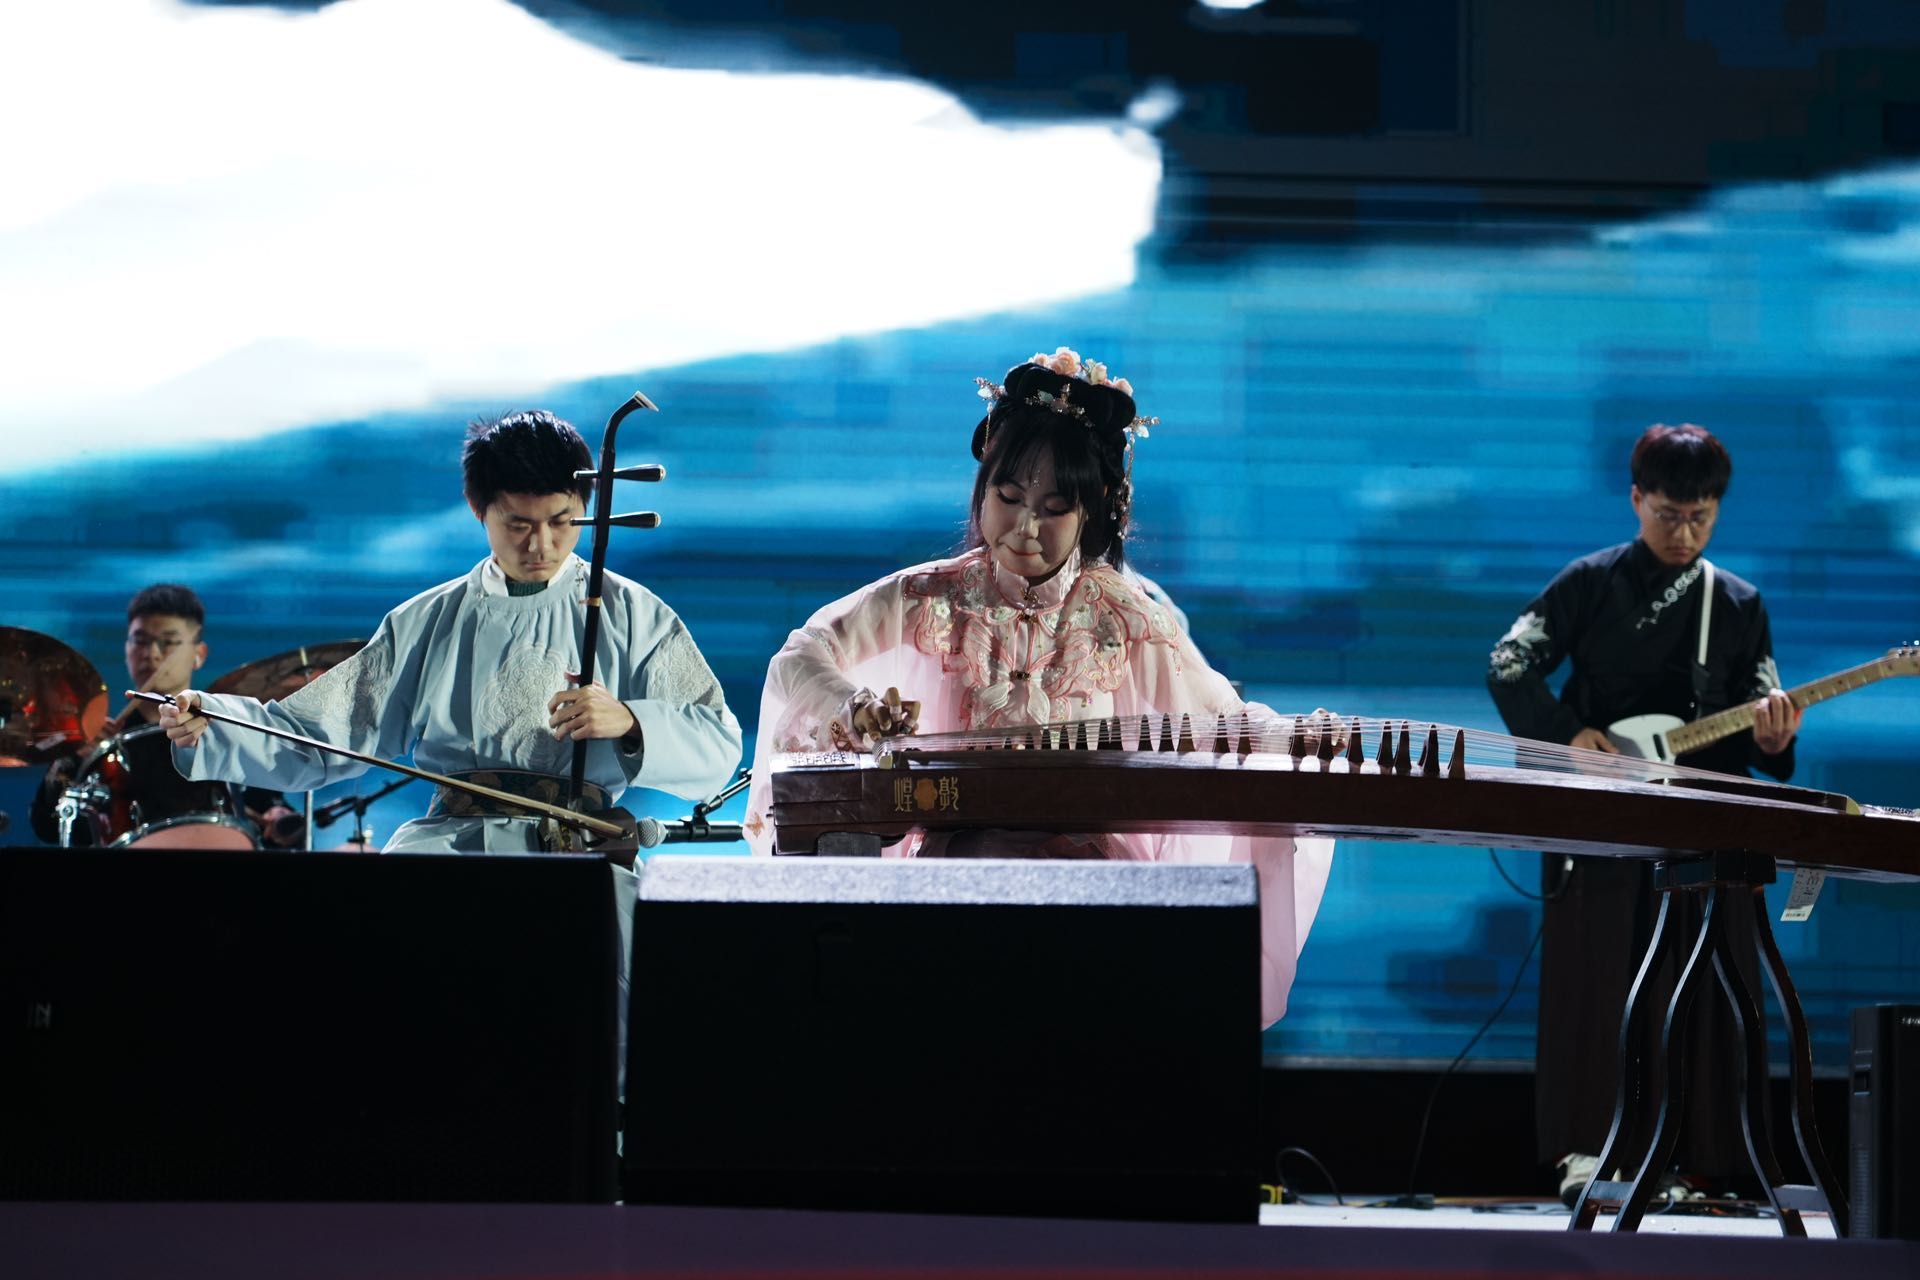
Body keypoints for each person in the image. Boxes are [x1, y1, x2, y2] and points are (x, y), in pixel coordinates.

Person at [743, 347, 1336, 1027]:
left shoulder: (1123, 617)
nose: (1025, 528)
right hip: (957, 886)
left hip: (1091, 898)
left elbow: (1221, 720)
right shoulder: (929, 597)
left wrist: (1299, 738)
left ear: (1095, 511)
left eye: (1054, 508)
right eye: (1008, 498)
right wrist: (854, 707)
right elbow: (800, 657)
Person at [162, 410, 743, 1086]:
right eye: (518, 524)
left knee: (630, 1004)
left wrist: (631, 720)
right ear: (480, 512)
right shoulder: (428, 619)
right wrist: (216, 722)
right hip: (451, 845)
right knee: (375, 979)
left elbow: (717, 743)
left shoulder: (631, 612)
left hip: (580, 853)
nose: (542, 544)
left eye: (562, 522)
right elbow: (319, 735)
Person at [1485, 423, 1801, 1203]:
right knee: (1593, 981)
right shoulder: (1590, 582)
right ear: (1635, 500)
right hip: (1600, 816)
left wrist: (1775, 738)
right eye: (1668, 515)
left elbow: (1762, 720)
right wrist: (1569, 735)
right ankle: (1588, 1155)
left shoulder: (1738, 604)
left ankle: (1693, 1162)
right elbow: (1508, 662)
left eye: (1700, 518)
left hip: (1700, 824)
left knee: (1700, 987)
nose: (1683, 534)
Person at [31, 583, 299, 848]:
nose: (151, 654)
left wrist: (279, 817)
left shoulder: (225, 734)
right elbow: (46, 827)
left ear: (199, 655)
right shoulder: (105, 749)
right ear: (126, 649)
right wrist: (72, 758)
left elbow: (276, 819)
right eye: (140, 641)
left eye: (168, 642)